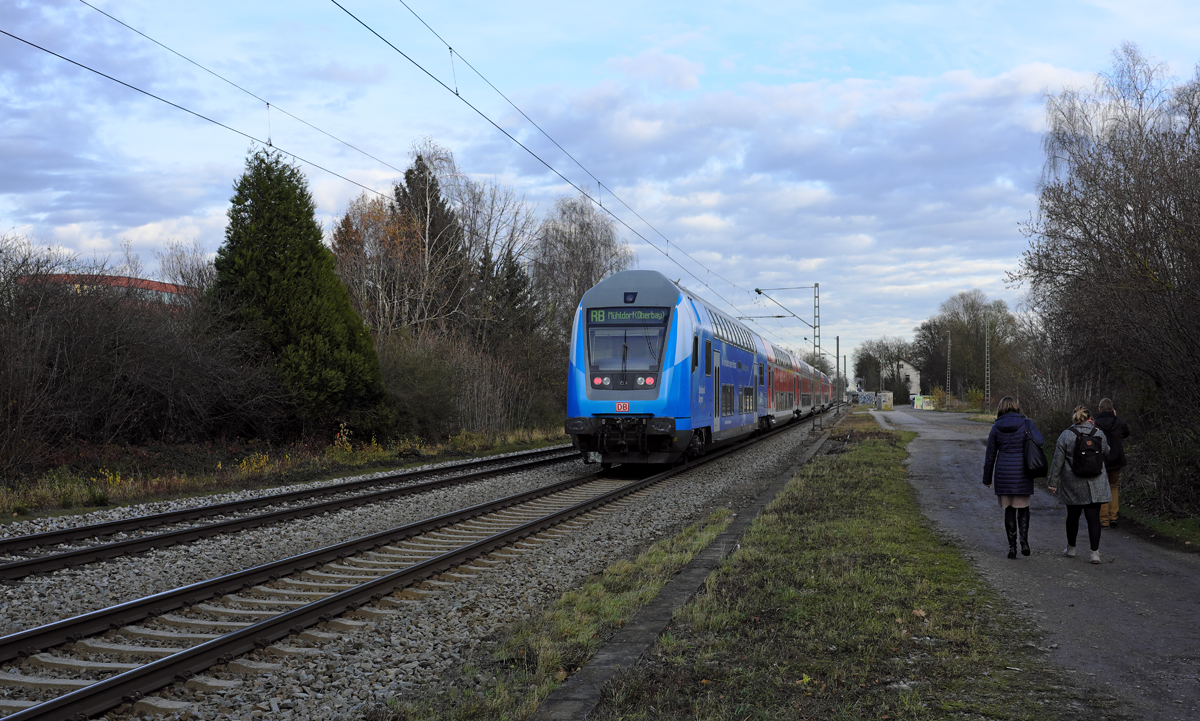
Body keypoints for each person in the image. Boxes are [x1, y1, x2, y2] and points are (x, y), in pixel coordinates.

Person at [982, 396, 1043, 559]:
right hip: (1023, 471)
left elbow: (990, 455)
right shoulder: (1027, 423)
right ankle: (1024, 541)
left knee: (1009, 509)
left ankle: (1012, 547)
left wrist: (987, 478)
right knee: (1023, 508)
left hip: (1003, 472)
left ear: (1001, 408)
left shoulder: (996, 427)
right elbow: (1040, 441)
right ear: (1016, 407)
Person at [1048, 406, 1112, 564]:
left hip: (1073, 482)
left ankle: (1071, 549)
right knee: (1093, 518)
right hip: (1096, 482)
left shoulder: (1066, 435)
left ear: (1075, 419)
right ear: (1089, 418)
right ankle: (1095, 553)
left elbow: (1057, 461)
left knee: (1073, 516)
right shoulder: (1098, 433)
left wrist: (1053, 482)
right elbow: (1107, 451)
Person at [1093, 398, 1131, 528]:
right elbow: (1126, 433)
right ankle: (1113, 516)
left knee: (1102, 488)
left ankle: (1104, 520)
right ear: (1112, 409)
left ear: (1099, 409)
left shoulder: (1095, 424)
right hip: (1116, 459)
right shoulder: (1120, 423)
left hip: (1101, 460)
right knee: (1114, 486)